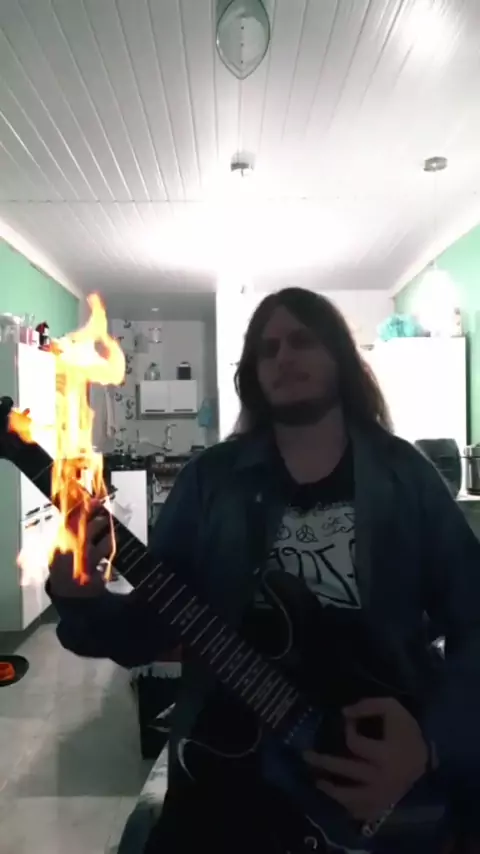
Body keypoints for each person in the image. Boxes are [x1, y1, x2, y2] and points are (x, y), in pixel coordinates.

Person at [47, 287, 480, 853]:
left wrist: (429, 743)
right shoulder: (210, 482)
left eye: (302, 340)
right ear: (252, 373)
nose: (283, 357)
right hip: (226, 773)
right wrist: (81, 599)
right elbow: (148, 629)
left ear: (339, 356)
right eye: (267, 349)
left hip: (370, 768)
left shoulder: (407, 477)